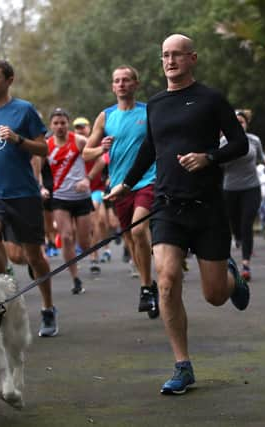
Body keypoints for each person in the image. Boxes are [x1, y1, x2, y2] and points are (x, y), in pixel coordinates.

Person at [106, 34, 250, 395]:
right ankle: (182, 366)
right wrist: (126, 183)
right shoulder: (155, 104)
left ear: (192, 58)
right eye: (165, 56)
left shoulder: (211, 99)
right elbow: (150, 148)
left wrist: (209, 158)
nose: (170, 61)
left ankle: (232, 279)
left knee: (215, 296)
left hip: (208, 208)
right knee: (166, 280)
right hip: (167, 206)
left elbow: (239, 143)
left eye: (177, 55)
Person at [0, 59, 58, 337]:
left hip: (24, 194)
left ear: (9, 80)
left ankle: (48, 307)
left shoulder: (24, 110)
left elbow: (43, 149)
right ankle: (3, 298)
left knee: (34, 257)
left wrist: (18, 140)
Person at [83, 65, 159, 319]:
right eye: (117, 81)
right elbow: (86, 153)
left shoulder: (149, 112)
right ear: (112, 86)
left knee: (139, 230)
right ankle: (150, 284)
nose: (122, 84)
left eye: (127, 80)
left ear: (136, 84)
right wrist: (101, 149)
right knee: (130, 239)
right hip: (119, 186)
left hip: (147, 180)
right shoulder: (105, 117)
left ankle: (147, 288)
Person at [45, 108, 96, 294]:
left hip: (82, 198)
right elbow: (35, 168)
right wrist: (41, 187)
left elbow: (100, 158)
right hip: (59, 198)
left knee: (84, 243)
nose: (59, 126)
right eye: (56, 123)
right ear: (51, 125)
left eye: (63, 123)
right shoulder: (47, 146)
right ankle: (75, 278)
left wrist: (87, 179)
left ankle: (85, 255)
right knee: (66, 237)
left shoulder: (79, 141)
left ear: (68, 123)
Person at [220, 110, 264, 281]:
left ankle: (246, 264)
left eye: (242, 122)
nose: (239, 125)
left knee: (247, 223)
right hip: (230, 189)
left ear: (246, 124)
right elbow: (218, 163)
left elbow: (261, 159)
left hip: (251, 187)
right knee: (234, 224)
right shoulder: (223, 142)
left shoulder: (254, 140)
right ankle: (237, 236)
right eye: (235, 122)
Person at [74, 116, 109, 270]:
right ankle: (95, 253)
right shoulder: (75, 145)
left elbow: (105, 160)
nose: (81, 130)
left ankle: (97, 253)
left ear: (89, 128)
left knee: (99, 220)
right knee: (96, 222)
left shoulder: (95, 143)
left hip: (97, 188)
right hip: (80, 190)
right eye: (77, 127)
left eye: (83, 127)